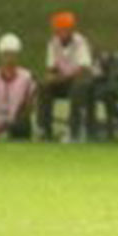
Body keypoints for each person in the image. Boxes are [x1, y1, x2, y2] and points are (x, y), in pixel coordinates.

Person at [38, 11, 95, 142]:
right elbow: (51, 68)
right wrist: (50, 78)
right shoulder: (53, 43)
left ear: (71, 30)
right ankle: (44, 130)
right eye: (60, 29)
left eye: (66, 29)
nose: (63, 32)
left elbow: (83, 69)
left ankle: (74, 130)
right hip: (63, 81)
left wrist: (59, 78)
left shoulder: (80, 42)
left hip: (81, 82)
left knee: (77, 88)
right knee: (44, 87)